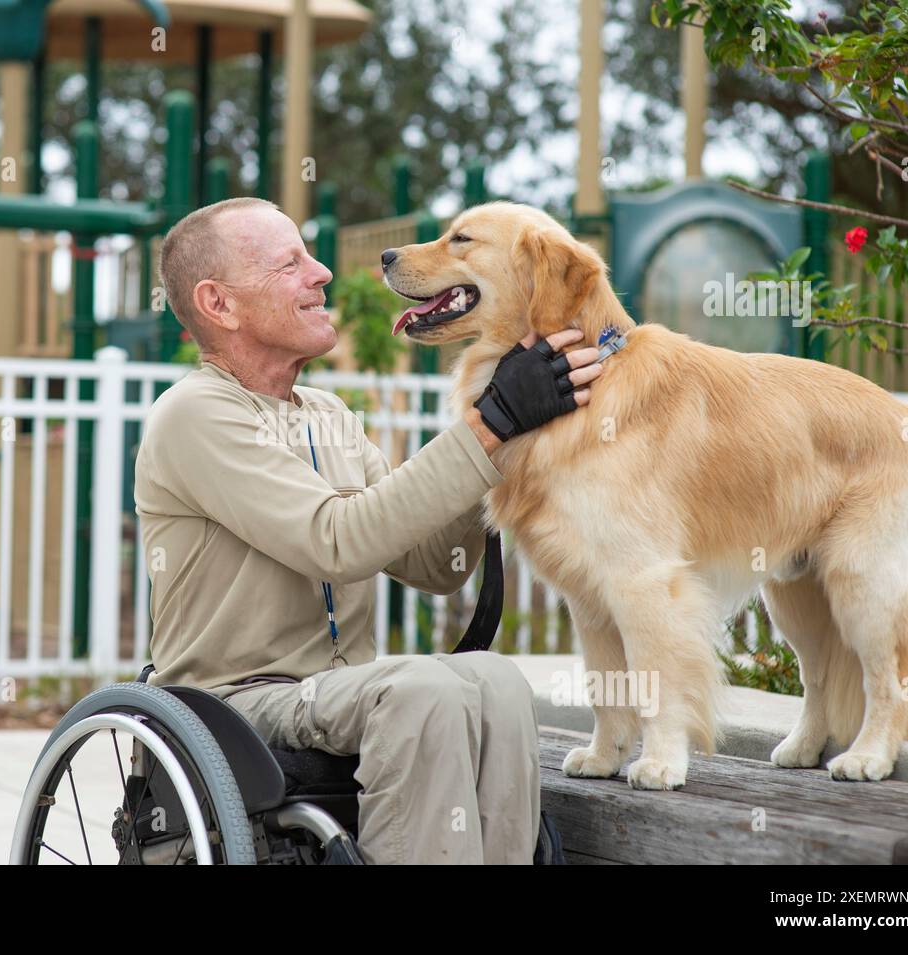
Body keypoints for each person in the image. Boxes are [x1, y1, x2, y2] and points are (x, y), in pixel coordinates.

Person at [135, 197, 604, 864]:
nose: (322, 272)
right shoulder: (194, 415)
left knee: (495, 681)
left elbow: (434, 565)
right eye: (289, 264)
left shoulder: (325, 413)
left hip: (334, 696)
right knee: (422, 690)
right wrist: (489, 421)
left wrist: (511, 436)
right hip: (233, 706)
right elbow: (339, 541)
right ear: (220, 304)